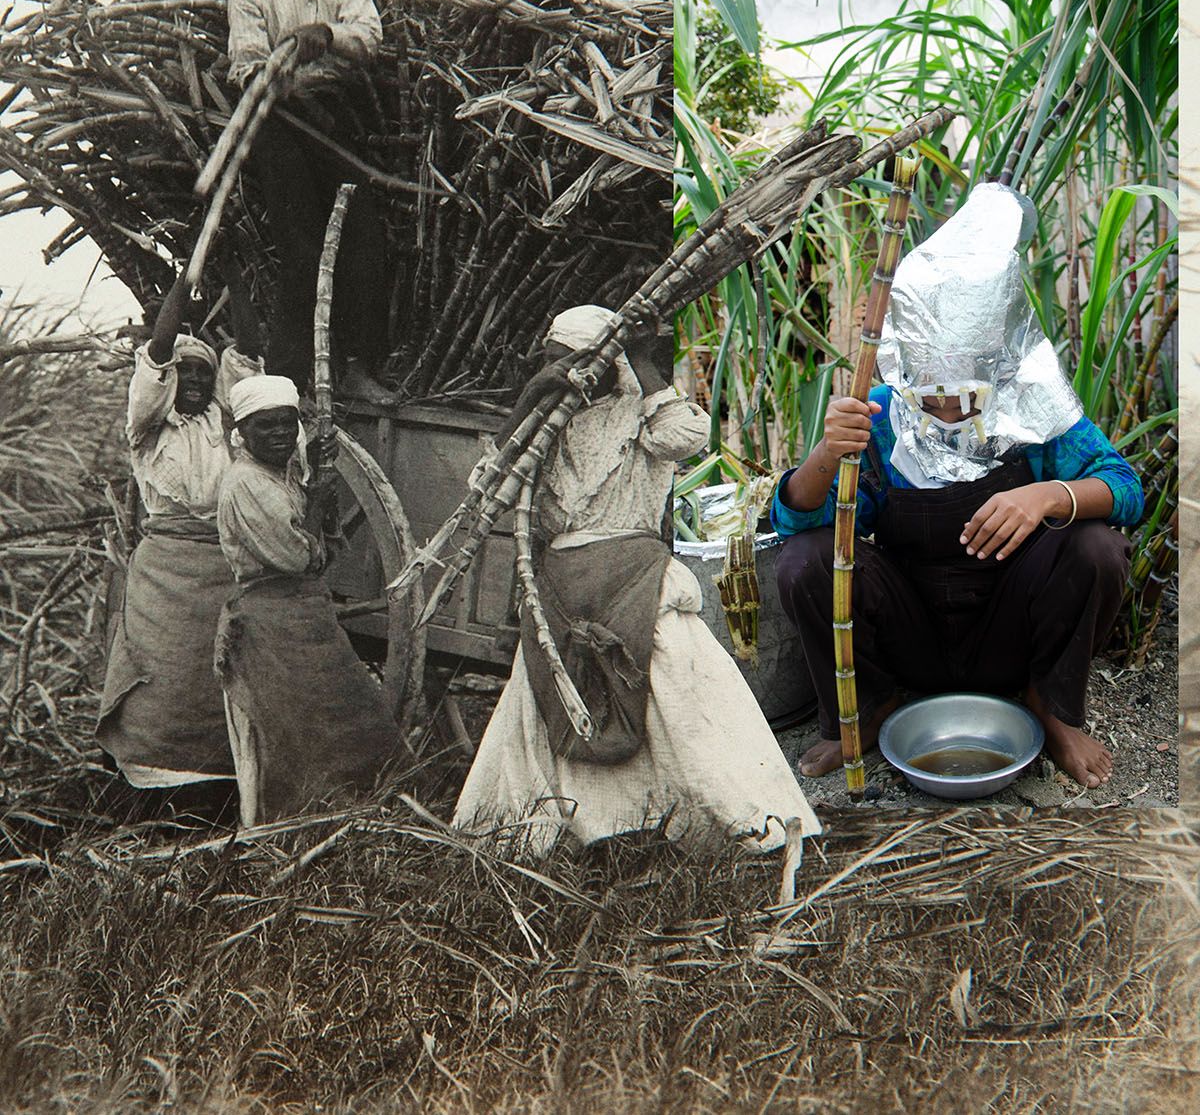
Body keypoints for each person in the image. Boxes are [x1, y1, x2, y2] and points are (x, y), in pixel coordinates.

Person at [772, 183, 1144, 790]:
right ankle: (871, 707)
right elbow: (799, 526)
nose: (944, 407)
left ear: (993, 363)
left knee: (1097, 545)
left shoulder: (1030, 404)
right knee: (805, 562)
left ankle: (1048, 707)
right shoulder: (882, 415)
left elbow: (1125, 487)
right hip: (911, 630)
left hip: (1009, 627)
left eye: (963, 393)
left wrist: (1048, 496)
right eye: (929, 391)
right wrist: (823, 455)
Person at [453, 305, 821, 855]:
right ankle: (574, 827)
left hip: (635, 580)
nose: (572, 377)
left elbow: (687, 436)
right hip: (560, 586)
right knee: (555, 694)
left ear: (609, 365)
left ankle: (733, 826)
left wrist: (639, 359)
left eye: (582, 365)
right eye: (558, 364)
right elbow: (489, 487)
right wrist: (534, 395)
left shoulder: (642, 417)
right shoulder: (543, 428)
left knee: (679, 692)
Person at [98, 254, 262, 803]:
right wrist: (186, 278)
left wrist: (238, 278)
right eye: (185, 372)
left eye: (204, 373)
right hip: (164, 578)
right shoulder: (148, 428)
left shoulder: (225, 424)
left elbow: (249, 356)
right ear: (168, 383)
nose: (193, 379)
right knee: (160, 682)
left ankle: (218, 792)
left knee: (218, 683)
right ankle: (146, 789)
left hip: (224, 569)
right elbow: (158, 353)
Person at [226, 0, 393, 401]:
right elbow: (245, 63)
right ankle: (288, 379)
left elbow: (368, 36)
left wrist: (327, 35)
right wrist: (283, 85)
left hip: (340, 115)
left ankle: (359, 369)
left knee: (364, 241)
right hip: (280, 121)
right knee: (299, 250)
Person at [214, 374, 402, 825]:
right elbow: (296, 557)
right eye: (265, 426)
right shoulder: (245, 485)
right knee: (288, 729)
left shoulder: (281, 474)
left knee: (344, 716)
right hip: (271, 624)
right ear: (242, 432)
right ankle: (291, 823)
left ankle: (350, 811)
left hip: (307, 618)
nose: (280, 434)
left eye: (286, 423)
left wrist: (315, 479)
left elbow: (323, 548)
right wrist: (316, 501)